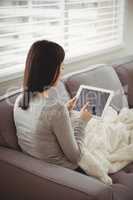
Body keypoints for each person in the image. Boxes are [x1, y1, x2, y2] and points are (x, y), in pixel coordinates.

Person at [14, 40, 92, 172]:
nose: (62, 70)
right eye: (60, 66)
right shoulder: (54, 108)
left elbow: (44, 127)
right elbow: (76, 157)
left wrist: (66, 109)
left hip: (37, 167)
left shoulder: (19, 101)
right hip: (68, 172)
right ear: (49, 70)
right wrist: (82, 121)